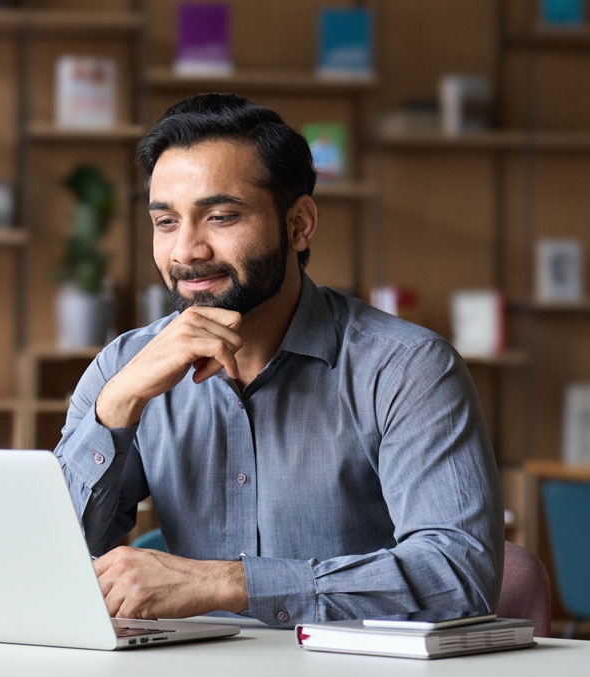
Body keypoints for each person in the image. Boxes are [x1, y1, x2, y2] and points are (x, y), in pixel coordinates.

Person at [54, 93, 503, 628]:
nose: (185, 252)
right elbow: (46, 566)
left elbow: (459, 576)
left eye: (220, 216)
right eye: (166, 222)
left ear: (299, 225)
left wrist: (229, 583)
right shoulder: (123, 368)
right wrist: (117, 408)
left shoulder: (408, 369)